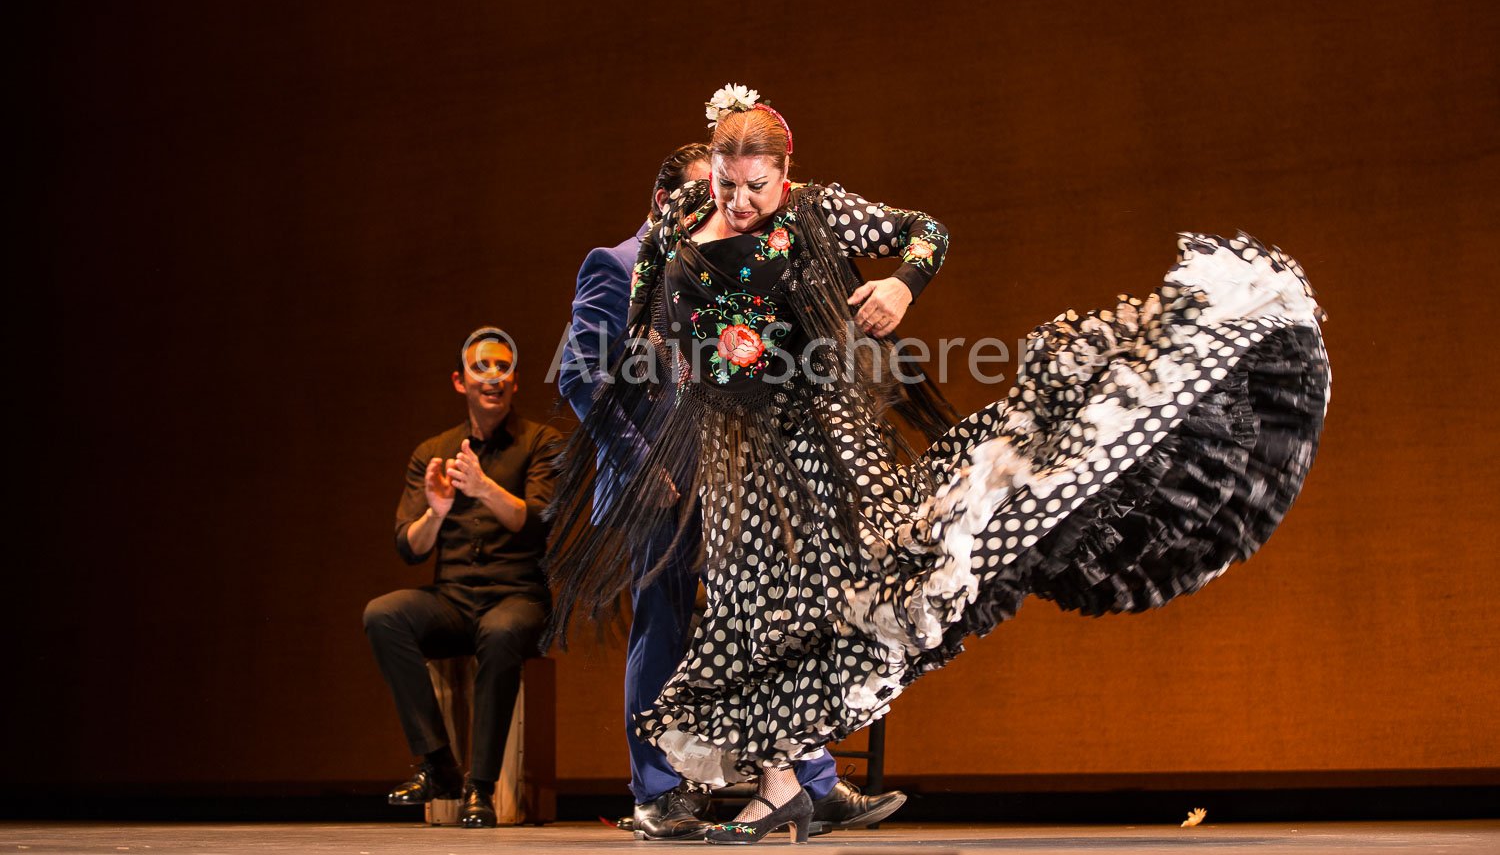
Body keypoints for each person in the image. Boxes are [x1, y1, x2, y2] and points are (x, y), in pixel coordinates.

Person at [546, 85, 1330, 846]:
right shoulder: (681, 217)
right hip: (723, 451)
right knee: (751, 616)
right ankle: (767, 788)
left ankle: (1077, 471)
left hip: (809, 438)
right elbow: (638, 313)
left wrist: (901, 283)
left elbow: (926, 232)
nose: (742, 202)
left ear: (784, 174)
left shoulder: (816, 210)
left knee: (855, 585)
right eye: (728, 184)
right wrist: (661, 359)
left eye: (758, 186)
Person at [558, 144, 906, 840]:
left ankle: (809, 783)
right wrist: (638, 463)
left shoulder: (728, 254)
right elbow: (579, 373)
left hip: (732, 470)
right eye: (707, 194)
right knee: (663, 625)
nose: (726, 210)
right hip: (657, 480)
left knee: (769, 618)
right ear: (666, 200)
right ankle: (658, 793)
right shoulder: (619, 264)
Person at [364, 328, 563, 828]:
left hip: (518, 598)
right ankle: (438, 766)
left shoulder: (541, 442)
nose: (492, 377)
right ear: (460, 381)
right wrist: (436, 512)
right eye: (481, 367)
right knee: (384, 614)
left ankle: (481, 788)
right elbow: (408, 548)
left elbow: (539, 521)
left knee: (500, 631)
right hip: (453, 600)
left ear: (515, 380)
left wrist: (484, 488)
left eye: (502, 367)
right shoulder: (433, 450)